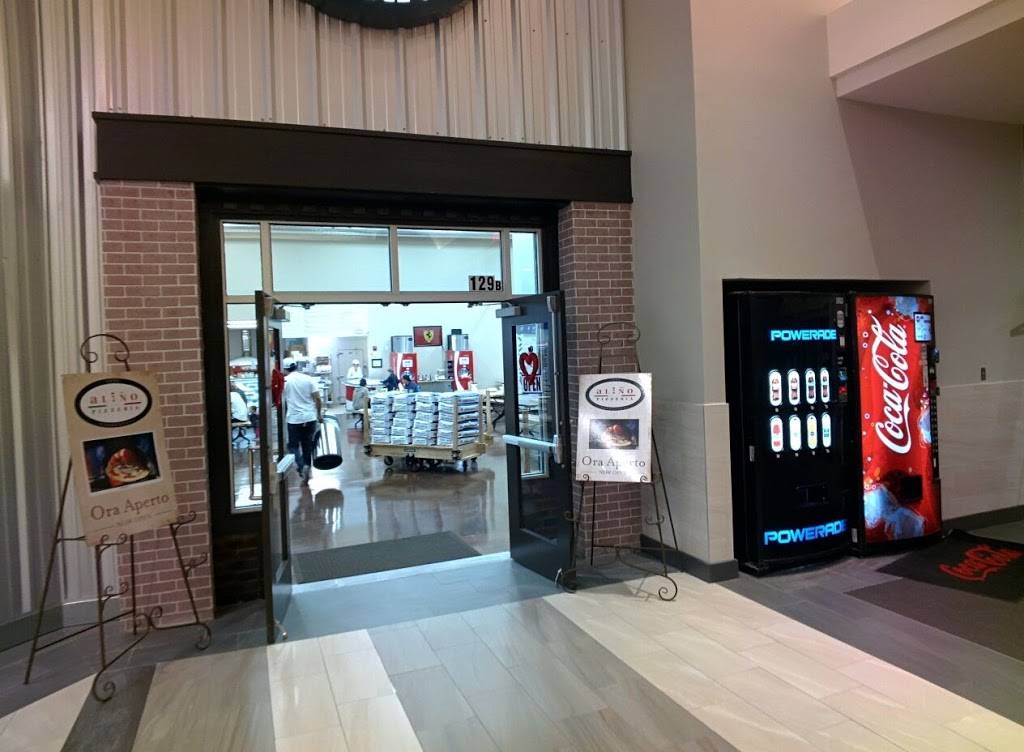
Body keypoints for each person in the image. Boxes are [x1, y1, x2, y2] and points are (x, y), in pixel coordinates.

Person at [282, 358, 322, 483]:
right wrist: (319, 414)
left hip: (294, 419)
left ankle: (301, 466)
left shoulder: (285, 381)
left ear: (285, 369)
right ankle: (307, 468)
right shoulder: (308, 379)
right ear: (296, 366)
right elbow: (318, 399)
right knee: (307, 444)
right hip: (310, 417)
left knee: (293, 446)